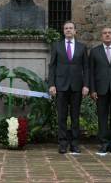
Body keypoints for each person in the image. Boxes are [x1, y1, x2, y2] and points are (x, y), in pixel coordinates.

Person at [48, 21, 89, 154]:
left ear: (75, 31)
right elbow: (52, 66)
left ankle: (75, 143)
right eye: (66, 28)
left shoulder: (82, 47)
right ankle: (63, 143)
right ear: (63, 31)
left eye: (71, 28)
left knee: (75, 116)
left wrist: (86, 85)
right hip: (61, 86)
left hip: (77, 86)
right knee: (62, 116)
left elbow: (86, 68)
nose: (68, 30)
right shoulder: (57, 46)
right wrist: (52, 84)